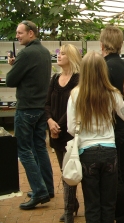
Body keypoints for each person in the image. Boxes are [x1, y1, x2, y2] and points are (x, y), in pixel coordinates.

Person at [66, 51, 124, 223]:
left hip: (87, 154)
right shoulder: (112, 93)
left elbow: (71, 128)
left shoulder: (75, 94)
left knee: (92, 204)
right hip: (109, 152)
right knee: (109, 204)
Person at [6, 20, 54, 209]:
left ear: (31, 33)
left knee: (24, 151)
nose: (17, 36)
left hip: (26, 109)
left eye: (20, 33)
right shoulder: (44, 52)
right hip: (41, 109)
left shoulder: (26, 53)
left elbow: (10, 80)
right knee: (40, 148)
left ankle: (40, 191)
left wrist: (14, 65)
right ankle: (47, 188)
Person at [100, 26, 124, 223]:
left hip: (112, 125)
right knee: (122, 166)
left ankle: (121, 212)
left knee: (115, 172)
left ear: (102, 44)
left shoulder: (103, 66)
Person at [45, 44, 81, 222]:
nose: (59, 56)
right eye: (59, 53)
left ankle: (68, 211)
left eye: (63, 54)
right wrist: (50, 122)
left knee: (70, 170)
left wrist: (57, 126)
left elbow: (74, 107)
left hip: (69, 133)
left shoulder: (77, 79)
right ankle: (72, 203)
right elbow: (47, 104)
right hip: (55, 132)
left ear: (72, 57)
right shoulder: (55, 78)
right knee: (64, 170)